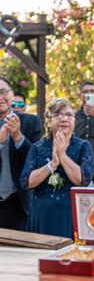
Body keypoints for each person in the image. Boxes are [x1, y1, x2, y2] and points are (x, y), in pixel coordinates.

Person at [20, 98, 94, 238]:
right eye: (58, 114)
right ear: (48, 121)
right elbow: (27, 182)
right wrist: (52, 164)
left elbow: (82, 180)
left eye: (68, 114)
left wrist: (62, 155)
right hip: (42, 214)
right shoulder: (37, 147)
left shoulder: (83, 146)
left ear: (74, 121)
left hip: (71, 213)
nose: (64, 118)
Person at [0, 77, 42, 230]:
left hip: (19, 204)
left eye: (3, 92)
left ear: (12, 95)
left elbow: (38, 160)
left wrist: (18, 137)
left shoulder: (30, 122)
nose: (0, 98)